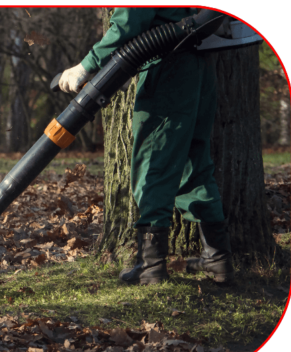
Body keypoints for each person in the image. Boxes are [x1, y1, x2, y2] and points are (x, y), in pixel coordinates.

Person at [58, 8, 234, 285]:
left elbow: (129, 22)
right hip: (200, 65)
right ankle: (218, 257)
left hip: (169, 66)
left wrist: (86, 65)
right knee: (194, 161)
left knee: (154, 160)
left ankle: (150, 265)